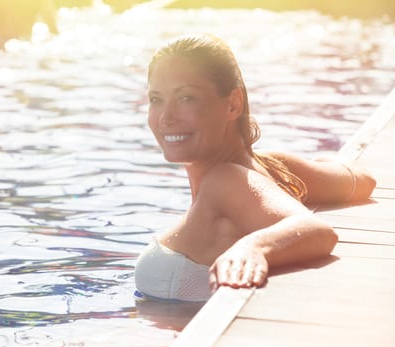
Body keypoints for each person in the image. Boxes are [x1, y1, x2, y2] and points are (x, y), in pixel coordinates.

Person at [134, 33, 377, 302]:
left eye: (186, 98)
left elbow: (316, 231)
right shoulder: (273, 167)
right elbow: (363, 181)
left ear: (232, 104)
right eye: (156, 99)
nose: (166, 118)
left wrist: (253, 247)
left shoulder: (227, 180)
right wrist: (323, 164)